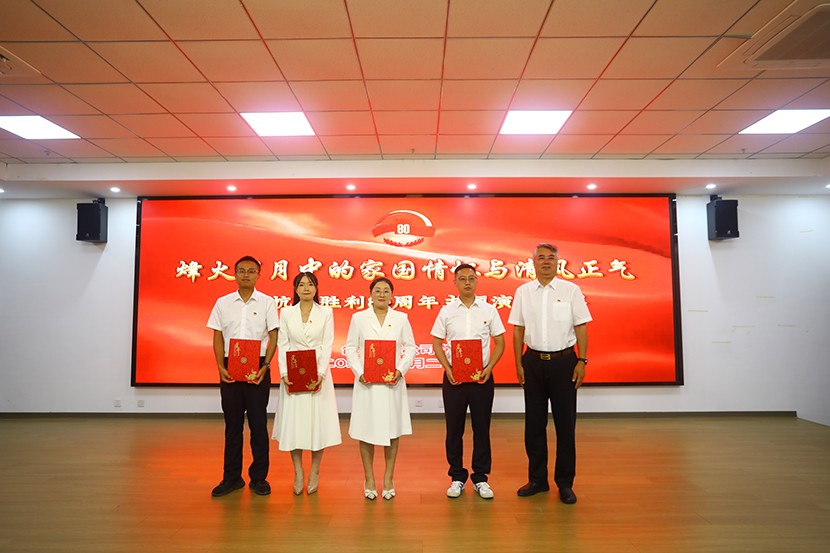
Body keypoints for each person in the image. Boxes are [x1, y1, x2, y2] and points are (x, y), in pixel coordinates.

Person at [508, 243, 591, 504]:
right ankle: (537, 480)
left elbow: (581, 327)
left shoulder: (571, 290)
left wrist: (582, 361)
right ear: (533, 262)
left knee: (565, 425)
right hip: (532, 362)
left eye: (551, 258)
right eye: (541, 258)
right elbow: (518, 329)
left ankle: (565, 483)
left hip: (564, 363)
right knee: (534, 425)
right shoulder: (523, 292)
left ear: (557, 262)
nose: (546, 262)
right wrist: (518, 364)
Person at [431, 263, 505, 499]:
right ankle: (457, 477)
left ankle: (481, 478)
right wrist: (447, 368)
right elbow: (436, 343)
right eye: (462, 279)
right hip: (454, 379)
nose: (467, 282)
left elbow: (500, 342)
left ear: (476, 281)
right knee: (454, 430)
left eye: (471, 278)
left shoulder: (489, 310)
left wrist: (489, 368)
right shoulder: (446, 311)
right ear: (455, 282)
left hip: (482, 378)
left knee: (482, 429)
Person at [207, 255, 279, 497]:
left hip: (258, 367)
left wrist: (266, 366)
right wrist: (221, 366)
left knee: (258, 426)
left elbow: (274, 336)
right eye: (241, 270)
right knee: (232, 427)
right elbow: (217, 336)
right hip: (230, 368)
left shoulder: (267, 302)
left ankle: (259, 478)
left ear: (258, 274)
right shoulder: (223, 303)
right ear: (234, 274)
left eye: (251, 271)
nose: (246, 274)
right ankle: (231, 478)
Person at [345, 277, 416, 501]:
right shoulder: (359, 318)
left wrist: (400, 369)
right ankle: (368, 478)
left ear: (392, 295)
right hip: (367, 383)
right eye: (377, 290)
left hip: (391, 383)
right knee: (365, 431)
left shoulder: (401, 318)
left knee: (392, 431)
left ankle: (388, 478)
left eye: (386, 291)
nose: (382, 294)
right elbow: (350, 347)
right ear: (370, 294)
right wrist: (359, 371)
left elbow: (411, 347)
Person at [272, 272, 342, 495]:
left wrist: (320, 373)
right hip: (293, 373)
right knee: (295, 424)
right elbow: (283, 344)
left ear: (316, 288)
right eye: (301, 285)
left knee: (317, 424)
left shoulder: (326, 313)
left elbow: (327, 343)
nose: (306, 288)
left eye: (310, 284)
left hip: (318, 374)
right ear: (295, 289)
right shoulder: (286, 312)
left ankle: (315, 470)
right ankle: (298, 471)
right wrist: (284, 372)